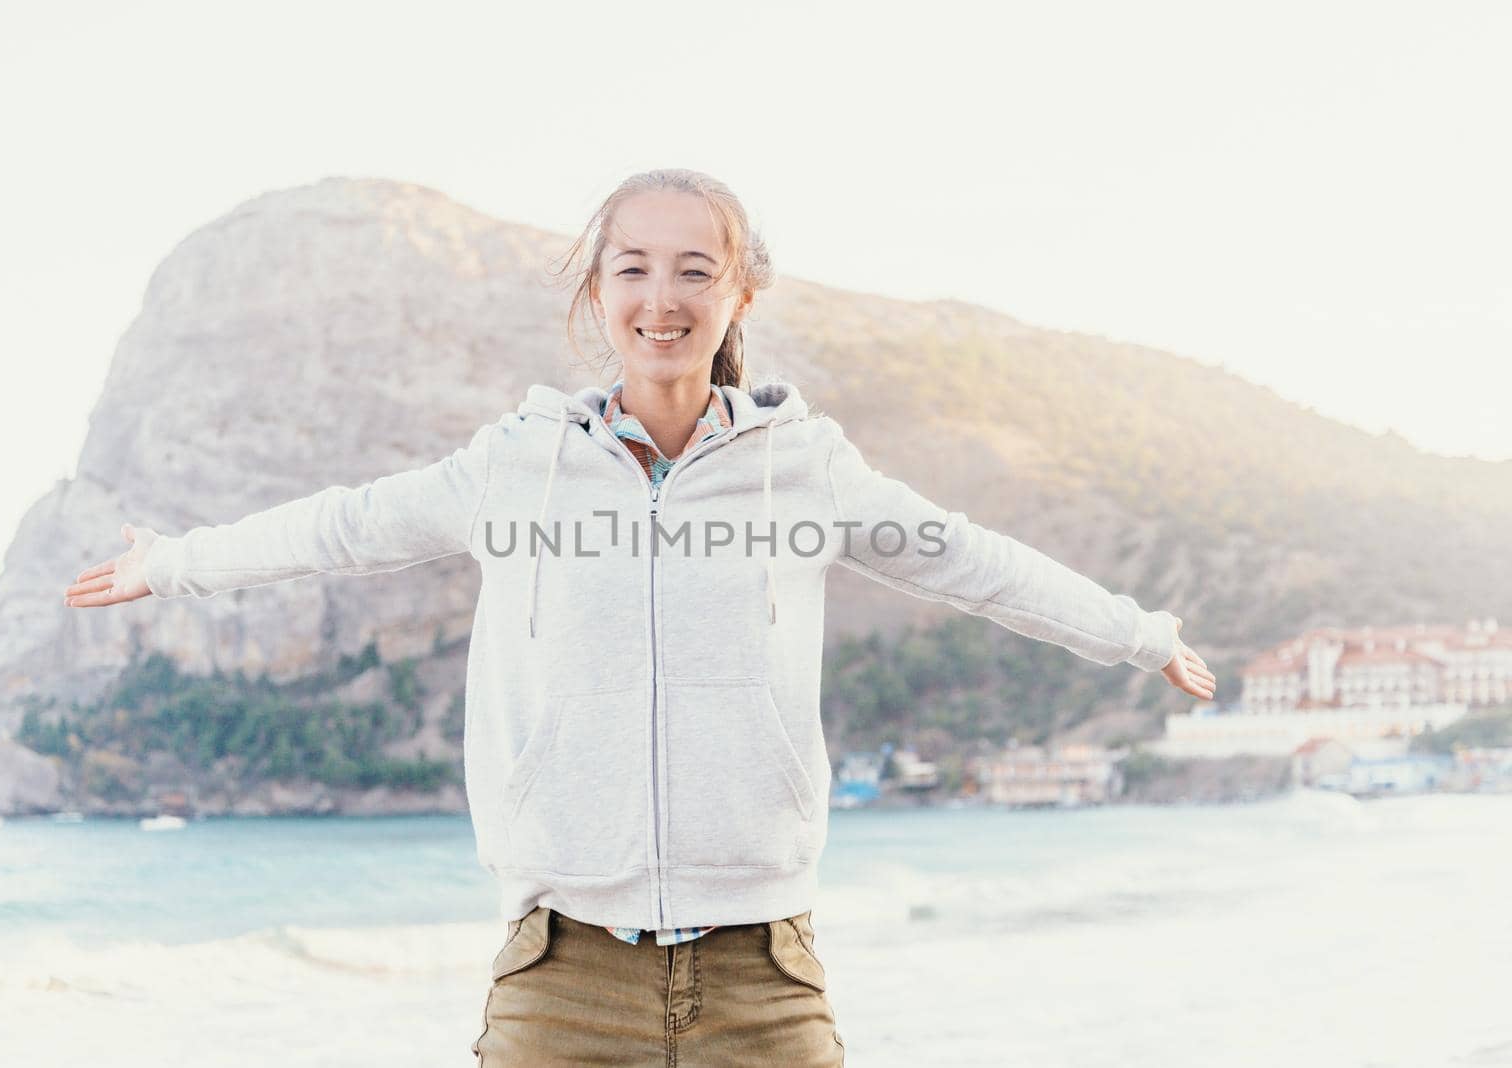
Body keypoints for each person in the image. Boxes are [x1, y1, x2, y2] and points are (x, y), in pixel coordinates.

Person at [65, 168, 1216, 1066]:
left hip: (765, 976)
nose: (661, 299)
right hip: (561, 979)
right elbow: (342, 528)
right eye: (631, 270)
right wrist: (174, 565)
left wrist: (1139, 633)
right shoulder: (512, 470)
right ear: (594, 293)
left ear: (737, 295)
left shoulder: (805, 471)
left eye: (693, 271)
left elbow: (969, 561)